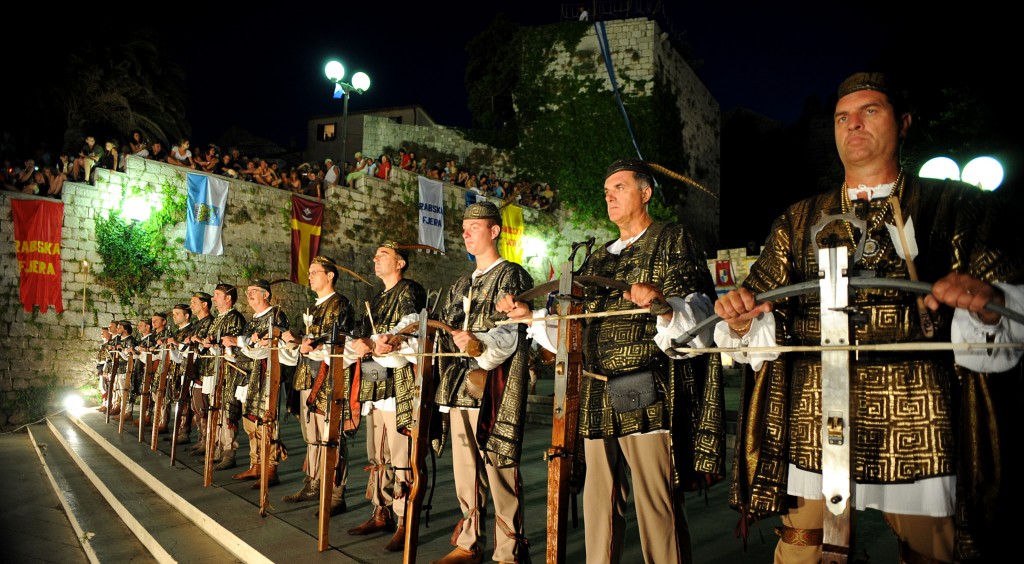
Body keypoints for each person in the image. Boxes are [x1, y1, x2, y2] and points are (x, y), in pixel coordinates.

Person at [712, 71, 1024, 563]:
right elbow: (757, 308)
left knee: (933, 552)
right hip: (813, 417)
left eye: (868, 112)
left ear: (903, 123)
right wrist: (739, 318)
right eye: (841, 117)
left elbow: (1008, 311)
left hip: (920, 420)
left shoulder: (955, 206)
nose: (852, 124)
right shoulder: (797, 220)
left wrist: (985, 306)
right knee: (800, 551)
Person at [501, 159, 724, 564]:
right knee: (598, 506)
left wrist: (663, 306)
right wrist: (530, 318)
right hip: (594, 391)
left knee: (657, 506)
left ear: (645, 192)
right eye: (607, 190)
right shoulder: (598, 258)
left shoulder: (673, 238)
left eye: (619, 187)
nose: (610, 196)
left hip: (646, 388)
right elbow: (575, 330)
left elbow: (699, 312)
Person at [430, 201, 534, 564]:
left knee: (499, 471)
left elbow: (512, 335)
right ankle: (470, 541)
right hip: (460, 388)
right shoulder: (462, 282)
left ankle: (509, 551)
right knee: (465, 472)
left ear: (494, 231)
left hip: (495, 388)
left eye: (475, 227)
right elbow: (446, 331)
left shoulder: (512, 275)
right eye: (464, 227)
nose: (466, 233)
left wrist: (477, 346)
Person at [347, 242, 427, 552]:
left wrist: (381, 341)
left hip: (398, 384)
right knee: (377, 454)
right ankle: (380, 511)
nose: (375, 259)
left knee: (400, 457)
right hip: (373, 382)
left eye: (383, 255)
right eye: (376, 255)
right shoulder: (378, 297)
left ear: (401, 263)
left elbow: (406, 330)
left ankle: (404, 518)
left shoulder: (410, 290)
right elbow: (360, 333)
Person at [280, 256, 355, 511]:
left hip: (328, 376)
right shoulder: (313, 308)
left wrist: (312, 344)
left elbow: (340, 339)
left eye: (315, 272)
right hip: (307, 376)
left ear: (330, 275)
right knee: (311, 436)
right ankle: (313, 482)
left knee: (331, 435)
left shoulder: (340, 304)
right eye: (310, 272)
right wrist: (299, 340)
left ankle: (335, 493)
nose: (310, 276)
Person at [223, 279, 291, 488]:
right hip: (248, 376)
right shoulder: (252, 320)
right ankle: (256, 464)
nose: (249, 295)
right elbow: (247, 346)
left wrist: (239, 342)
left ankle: (270, 467)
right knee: (251, 424)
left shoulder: (276, 315)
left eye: (254, 291)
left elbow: (273, 343)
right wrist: (233, 346)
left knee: (267, 422)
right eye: (248, 291)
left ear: (266, 295)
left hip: (267, 376)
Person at [204, 283, 246, 470]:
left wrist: (221, 345)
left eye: (217, 294)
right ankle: (219, 448)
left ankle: (229, 451)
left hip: (229, 370)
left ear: (228, 298)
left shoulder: (235, 318)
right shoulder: (218, 318)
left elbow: (235, 346)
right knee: (217, 408)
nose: (214, 298)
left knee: (227, 409)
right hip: (216, 367)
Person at [183, 292, 216, 451]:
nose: (191, 306)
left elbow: (209, 345)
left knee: (203, 406)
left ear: (205, 304)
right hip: (195, 368)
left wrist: (198, 341)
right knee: (196, 406)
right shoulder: (196, 324)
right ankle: (201, 439)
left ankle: (207, 442)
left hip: (205, 369)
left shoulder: (211, 322)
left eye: (194, 302)